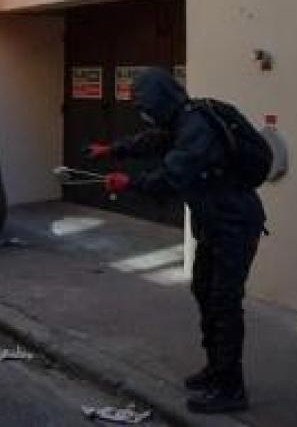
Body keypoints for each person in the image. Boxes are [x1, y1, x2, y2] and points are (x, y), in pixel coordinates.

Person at [87, 67, 265, 414]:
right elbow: (153, 140)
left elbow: (172, 175)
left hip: (235, 223)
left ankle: (231, 388)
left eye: (145, 104)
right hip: (214, 223)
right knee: (203, 290)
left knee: (225, 301)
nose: (145, 113)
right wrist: (113, 150)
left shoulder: (196, 127)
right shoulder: (181, 121)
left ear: (161, 98)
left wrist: (129, 184)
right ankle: (216, 369)